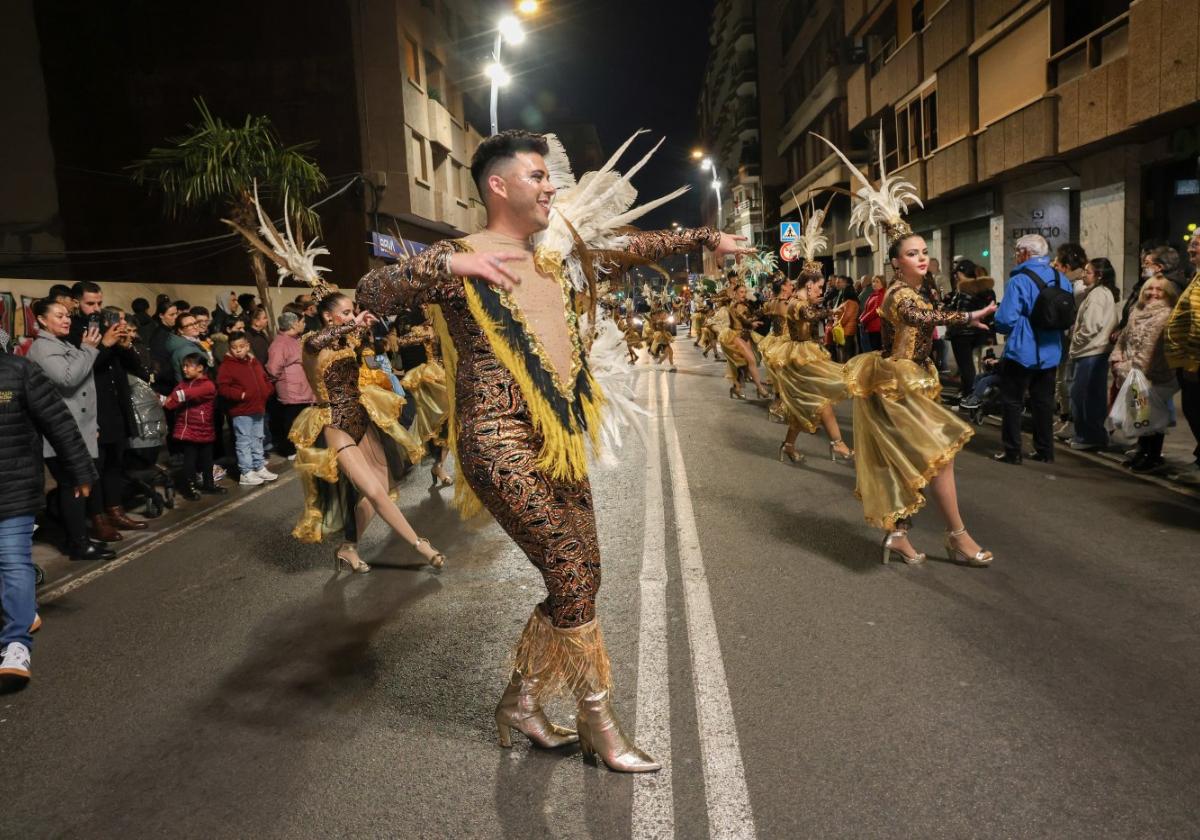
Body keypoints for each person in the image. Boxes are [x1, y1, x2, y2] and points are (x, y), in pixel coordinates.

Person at [355, 129, 751, 772]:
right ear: (498, 185)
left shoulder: (556, 252)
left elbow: (632, 244)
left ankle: (521, 701)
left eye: (550, 176)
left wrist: (707, 239)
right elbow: (372, 295)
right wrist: (444, 265)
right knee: (567, 561)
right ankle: (599, 720)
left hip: (557, 440)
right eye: (537, 176)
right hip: (497, 438)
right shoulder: (460, 256)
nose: (551, 186)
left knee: (582, 575)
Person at [816, 131, 996, 568]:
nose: (921, 257)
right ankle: (958, 536)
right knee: (941, 457)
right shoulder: (899, 294)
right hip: (899, 386)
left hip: (913, 381)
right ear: (895, 261)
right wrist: (967, 317)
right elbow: (921, 319)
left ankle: (897, 534)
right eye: (911, 253)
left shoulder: (922, 287)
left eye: (923, 252)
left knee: (901, 463)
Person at [0, 331, 96, 690]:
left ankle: (15, 645)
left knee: (12, 560)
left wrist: (80, 470)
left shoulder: (18, 371)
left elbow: (58, 422)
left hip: (14, 486)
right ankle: (22, 610)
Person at [24, 299, 115, 562]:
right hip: (60, 433)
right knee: (73, 486)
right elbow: (69, 379)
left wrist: (92, 426)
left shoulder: (61, 344)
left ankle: (79, 539)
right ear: (42, 320)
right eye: (59, 315)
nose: (67, 320)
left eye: (68, 316)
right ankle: (77, 544)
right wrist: (87, 348)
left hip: (76, 429)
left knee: (79, 486)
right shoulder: (42, 349)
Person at [69, 283, 148, 538]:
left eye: (99, 303)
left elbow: (136, 368)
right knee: (96, 467)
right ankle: (98, 518)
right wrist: (104, 345)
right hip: (93, 410)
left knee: (115, 462)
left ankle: (115, 510)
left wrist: (124, 346)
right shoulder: (72, 331)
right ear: (75, 302)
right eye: (90, 303)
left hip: (116, 407)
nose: (96, 309)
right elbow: (81, 370)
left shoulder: (106, 327)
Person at [992, 234, 1072, 465]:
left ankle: (1012, 452)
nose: (1015, 256)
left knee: (1012, 402)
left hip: (1022, 351)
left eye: (1017, 251)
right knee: (1044, 403)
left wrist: (999, 322)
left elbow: (1006, 319)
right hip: (1051, 351)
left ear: (1025, 253)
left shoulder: (1019, 280)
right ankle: (1045, 451)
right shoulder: (1061, 278)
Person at [766, 264, 853, 464]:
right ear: (810, 284)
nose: (821, 291)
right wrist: (830, 312)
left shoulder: (801, 301)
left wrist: (819, 307)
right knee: (820, 401)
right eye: (820, 287)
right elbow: (810, 316)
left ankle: (788, 445)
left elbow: (810, 317)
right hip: (800, 357)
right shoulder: (797, 303)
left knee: (806, 406)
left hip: (804, 352)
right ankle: (837, 443)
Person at [1113, 277, 1181, 473]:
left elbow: (1151, 349)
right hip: (1133, 371)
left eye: (1159, 290)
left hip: (1155, 374)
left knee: (1151, 417)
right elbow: (1123, 338)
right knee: (1141, 415)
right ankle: (1142, 452)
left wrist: (1130, 368)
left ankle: (1152, 456)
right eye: (1149, 288)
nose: (1153, 293)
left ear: (1168, 294)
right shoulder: (1138, 311)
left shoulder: (1166, 314)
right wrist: (1117, 359)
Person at [1067, 257, 1120, 450]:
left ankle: (1090, 436)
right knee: (1090, 395)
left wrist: (1075, 338)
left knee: (1084, 396)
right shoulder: (1100, 292)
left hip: (1090, 351)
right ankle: (1090, 435)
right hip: (1093, 351)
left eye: (1087, 272)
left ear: (1099, 276)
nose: (1083, 275)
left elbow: (1091, 326)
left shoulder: (1098, 294)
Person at [162, 354, 226, 499]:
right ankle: (189, 488)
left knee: (206, 459)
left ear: (200, 368)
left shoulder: (207, 385)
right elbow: (170, 404)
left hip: (203, 427)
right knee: (189, 460)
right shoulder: (183, 383)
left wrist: (171, 397)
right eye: (183, 366)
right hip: (188, 429)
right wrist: (169, 399)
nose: (184, 369)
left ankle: (208, 484)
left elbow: (181, 396)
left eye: (188, 366)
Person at [217, 334, 276, 486]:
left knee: (258, 438)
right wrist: (241, 395)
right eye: (234, 348)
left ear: (247, 346)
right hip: (241, 410)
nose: (238, 351)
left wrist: (267, 390)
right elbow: (223, 388)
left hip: (258, 407)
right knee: (244, 441)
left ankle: (259, 466)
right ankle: (246, 471)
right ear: (229, 348)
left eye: (241, 347)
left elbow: (264, 378)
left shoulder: (253, 361)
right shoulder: (227, 366)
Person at [1164, 230, 1200, 475]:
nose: (1190, 249)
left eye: (1195, 245)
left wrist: (1193, 364)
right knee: (1192, 409)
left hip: (1195, 363)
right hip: (1189, 361)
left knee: (1196, 410)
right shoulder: (1197, 277)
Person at [266, 311, 315, 459]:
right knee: (291, 421)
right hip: (292, 390)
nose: (304, 324)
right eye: (302, 321)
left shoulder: (296, 339)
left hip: (303, 389)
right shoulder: (280, 343)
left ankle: (301, 446)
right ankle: (290, 450)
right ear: (294, 324)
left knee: (302, 420)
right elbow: (273, 369)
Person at [945, 260, 995, 398]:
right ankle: (975, 392)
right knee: (976, 365)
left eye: (957, 274)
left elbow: (960, 314)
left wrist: (945, 308)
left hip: (962, 333)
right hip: (979, 332)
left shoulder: (963, 289)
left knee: (966, 367)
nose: (956, 277)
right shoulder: (985, 289)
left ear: (962, 274)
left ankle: (970, 395)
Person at [858, 275, 886, 352]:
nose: (874, 284)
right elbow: (866, 309)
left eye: (877, 281)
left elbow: (875, 311)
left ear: (883, 283)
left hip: (876, 327)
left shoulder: (881, 294)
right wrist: (861, 317)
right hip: (870, 326)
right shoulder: (874, 294)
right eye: (873, 281)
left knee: (875, 351)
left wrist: (863, 319)